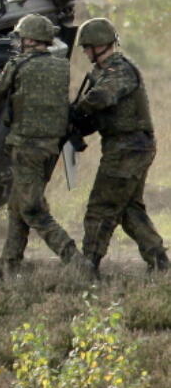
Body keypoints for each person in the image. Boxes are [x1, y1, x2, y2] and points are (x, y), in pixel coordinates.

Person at [0, 14, 90, 278]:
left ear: (28, 39)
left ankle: (74, 260)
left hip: (26, 147)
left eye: (20, 37)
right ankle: (8, 265)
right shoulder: (61, 66)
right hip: (50, 147)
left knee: (31, 208)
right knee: (17, 204)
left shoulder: (18, 65)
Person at [74, 17, 168, 275]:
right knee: (128, 209)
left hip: (128, 148)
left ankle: (88, 267)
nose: (84, 52)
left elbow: (102, 97)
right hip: (128, 146)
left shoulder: (119, 70)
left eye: (86, 47)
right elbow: (100, 114)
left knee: (101, 208)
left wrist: (77, 111)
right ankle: (159, 262)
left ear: (99, 46)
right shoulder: (103, 73)